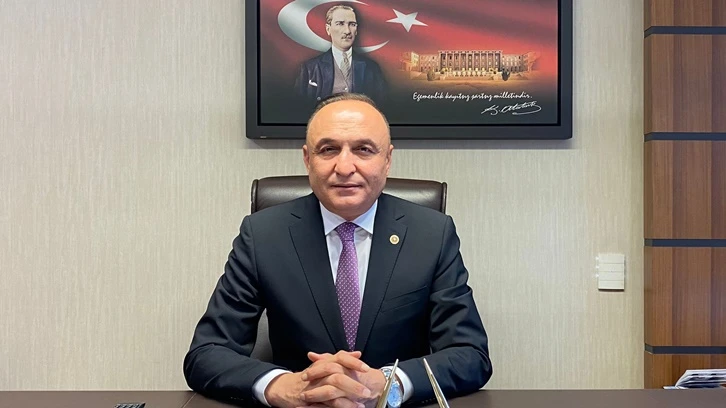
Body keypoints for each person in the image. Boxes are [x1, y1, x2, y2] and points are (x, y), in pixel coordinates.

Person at [183, 93, 492, 408]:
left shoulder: (431, 234)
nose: (344, 167)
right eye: (328, 149)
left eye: (364, 149)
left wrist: (389, 383)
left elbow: (470, 354)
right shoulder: (263, 235)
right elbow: (206, 354)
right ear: (308, 159)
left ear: (387, 159)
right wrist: (281, 385)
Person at [294, 5, 386, 107]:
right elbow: (299, 108)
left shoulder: (372, 68)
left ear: (356, 30)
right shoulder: (309, 69)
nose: (347, 31)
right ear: (328, 29)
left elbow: (380, 107)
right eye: (340, 24)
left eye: (352, 24)